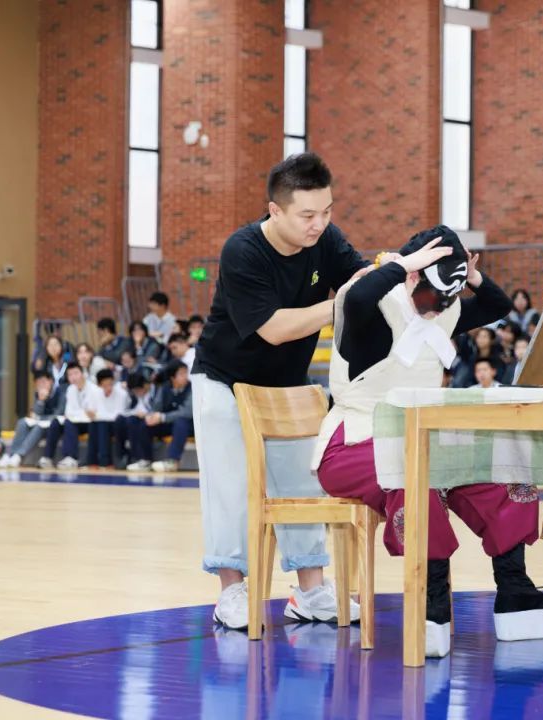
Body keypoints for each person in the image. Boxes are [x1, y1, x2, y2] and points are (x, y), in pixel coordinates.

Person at [313, 226, 543, 658]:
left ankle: (515, 588)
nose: (442, 305)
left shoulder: (442, 311)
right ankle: (432, 600)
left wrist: (472, 275)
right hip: (353, 441)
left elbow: (497, 305)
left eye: (451, 295)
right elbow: (356, 297)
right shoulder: (371, 305)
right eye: (435, 293)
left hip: (420, 439)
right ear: (412, 276)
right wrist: (402, 264)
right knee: (415, 474)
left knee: (501, 469)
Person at [191, 153, 370, 631]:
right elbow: (273, 328)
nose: (319, 224)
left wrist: (394, 272)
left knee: (302, 485)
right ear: (275, 210)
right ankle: (231, 590)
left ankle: (310, 591)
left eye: (326, 211)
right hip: (224, 381)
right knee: (230, 487)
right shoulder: (243, 250)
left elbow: (360, 282)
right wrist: (340, 304)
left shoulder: (326, 239)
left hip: (287, 385)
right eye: (307, 215)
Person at [0, 372, 66, 468]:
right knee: (22, 422)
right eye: (38, 383)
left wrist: (41, 418)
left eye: (43, 382)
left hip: (54, 426)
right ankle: (11, 454)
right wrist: (41, 401)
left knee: (39, 427)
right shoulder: (38, 393)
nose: (41, 385)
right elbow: (36, 413)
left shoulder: (60, 393)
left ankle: (19, 455)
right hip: (40, 422)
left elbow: (59, 413)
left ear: (51, 381)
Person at [40, 364, 100, 469]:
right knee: (55, 423)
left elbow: (92, 413)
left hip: (89, 423)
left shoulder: (94, 389)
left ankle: (71, 458)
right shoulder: (70, 389)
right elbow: (69, 412)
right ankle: (47, 457)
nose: (73, 377)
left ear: (83, 374)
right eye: (70, 375)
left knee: (69, 422)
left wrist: (77, 415)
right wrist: (78, 414)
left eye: (76, 373)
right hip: (74, 422)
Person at [84, 368, 128, 467]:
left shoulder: (121, 393)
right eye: (105, 385)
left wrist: (98, 415)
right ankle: (92, 461)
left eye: (110, 384)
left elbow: (119, 416)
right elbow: (90, 411)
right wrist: (93, 414)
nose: (108, 388)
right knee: (94, 424)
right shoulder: (95, 393)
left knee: (102, 424)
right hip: (101, 424)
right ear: (99, 385)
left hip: (117, 426)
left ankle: (105, 460)